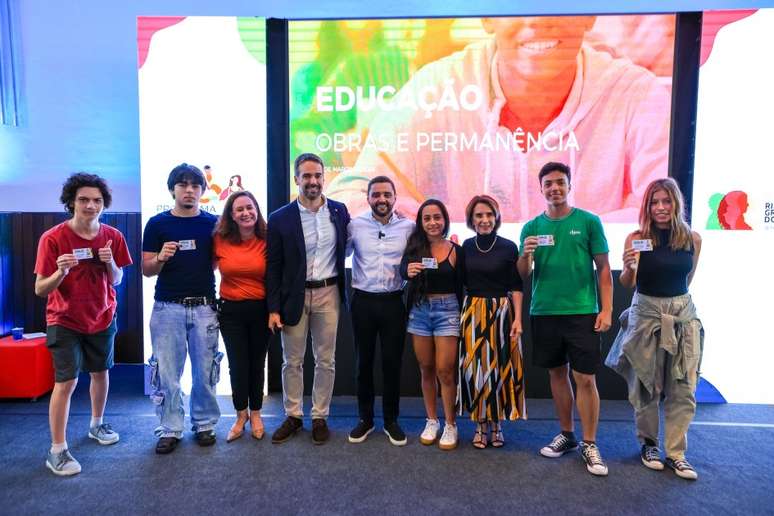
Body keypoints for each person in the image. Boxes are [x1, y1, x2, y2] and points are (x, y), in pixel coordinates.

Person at [327, 16, 670, 223]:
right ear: (487, 15)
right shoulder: (439, 88)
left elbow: (672, 213)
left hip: (588, 309)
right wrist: (435, 232)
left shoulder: (639, 96)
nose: (537, 18)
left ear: (591, 12)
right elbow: (348, 196)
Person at [518, 161, 613, 476]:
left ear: (569, 185)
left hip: (582, 312)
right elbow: (523, 274)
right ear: (541, 188)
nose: (554, 188)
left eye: (560, 182)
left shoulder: (589, 222)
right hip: (544, 312)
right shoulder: (531, 228)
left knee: (585, 378)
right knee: (557, 376)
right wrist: (526, 255)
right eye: (548, 184)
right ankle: (567, 434)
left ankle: (590, 442)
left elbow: (603, 269)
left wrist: (606, 309)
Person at [605, 178, 703, 480]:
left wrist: (674, 310)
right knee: (646, 384)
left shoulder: (692, 239)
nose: (660, 208)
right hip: (645, 314)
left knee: (683, 387)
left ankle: (676, 453)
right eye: (654, 202)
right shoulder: (637, 237)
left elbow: (686, 281)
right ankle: (648, 444)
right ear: (647, 206)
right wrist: (630, 268)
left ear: (676, 204)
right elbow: (627, 284)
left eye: (666, 201)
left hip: (682, 316)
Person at [34, 173, 132, 476]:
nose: (91, 205)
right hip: (64, 320)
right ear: (71, 203)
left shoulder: (113, 236)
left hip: (102, 315)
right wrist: (61, 272)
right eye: (84, 200)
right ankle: (57, 450)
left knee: (101, 374)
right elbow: (41, 289)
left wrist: (109, 263)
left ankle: (97, 424)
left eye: (97, 201)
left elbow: (117, 279)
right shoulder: (52, 238)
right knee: (66, 382)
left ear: (104, 205)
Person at [266, 153, 351, 445]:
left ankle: (319, 416)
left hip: (329, 293)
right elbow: (273, 267)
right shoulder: (279, 219)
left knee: (326, 360)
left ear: (324, 178)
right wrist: (273, 308)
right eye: (306, 176)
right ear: (296, 179)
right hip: (294, 296)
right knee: (292, 360)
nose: (312, 181)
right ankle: (293, 415)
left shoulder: (339, 212)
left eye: (317, 176)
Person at [142, 163, 223, 454]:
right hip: (167, 309)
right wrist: (161, 258)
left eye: (195, 186)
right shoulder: (157, 223)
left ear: (202, 190)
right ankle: (170, 428)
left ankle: (204, 424)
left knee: (206, 370)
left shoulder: (213, 223)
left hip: (204, 308)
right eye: (183, 185)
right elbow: (147, 269)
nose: (189, 190)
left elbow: (216, 262)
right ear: (172, 189)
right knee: (167, 373)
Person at [346, 176, 414, 446]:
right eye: (376, 195)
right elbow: (339, 253)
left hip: (393, 302)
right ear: (368, 198)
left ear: (395, 198)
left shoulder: (409, 227)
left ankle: (390, 419)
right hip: (362, 301)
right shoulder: (355, 225)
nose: (382, 199)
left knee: (392, 363)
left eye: (387, 195)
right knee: (363, 362)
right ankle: (365, 419)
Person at [458, 195, 525, 448]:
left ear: (496, 217)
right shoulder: (466, 246)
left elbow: (517, 285)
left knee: (500, 370)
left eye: (488, 215)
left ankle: (497, 424)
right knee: (476, 371)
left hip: (502, 313)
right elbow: (461, 283)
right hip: (473, 312)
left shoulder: (508, 247)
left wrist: (518, 318)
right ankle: (479, 423)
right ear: (471, 219)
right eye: (478, 215)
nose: (484, 220)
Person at [400, 199, 464, 450]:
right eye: (427, 218)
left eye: (437, 217)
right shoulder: (414, 247)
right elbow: (402, 271)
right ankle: (432, 420)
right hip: (420, 311)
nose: (432, 222)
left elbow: (464, 283)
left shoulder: (456, 249)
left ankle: (451, 424)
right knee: (426, 368)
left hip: (448, 310)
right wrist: (408, 271)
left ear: (445, 220)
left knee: (445, 370)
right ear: (421, 222)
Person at [213, 190, 270, 442]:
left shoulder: (269, 239)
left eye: (250, 207)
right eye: (239, 210)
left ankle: (256, 413)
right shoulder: (219, 239)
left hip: (261, 310)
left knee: (257, 364)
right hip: (230, 311)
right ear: (232, 215)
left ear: (256, 211)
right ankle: (240, 415)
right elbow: (207, 270)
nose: (246, 213)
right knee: (237, 364)